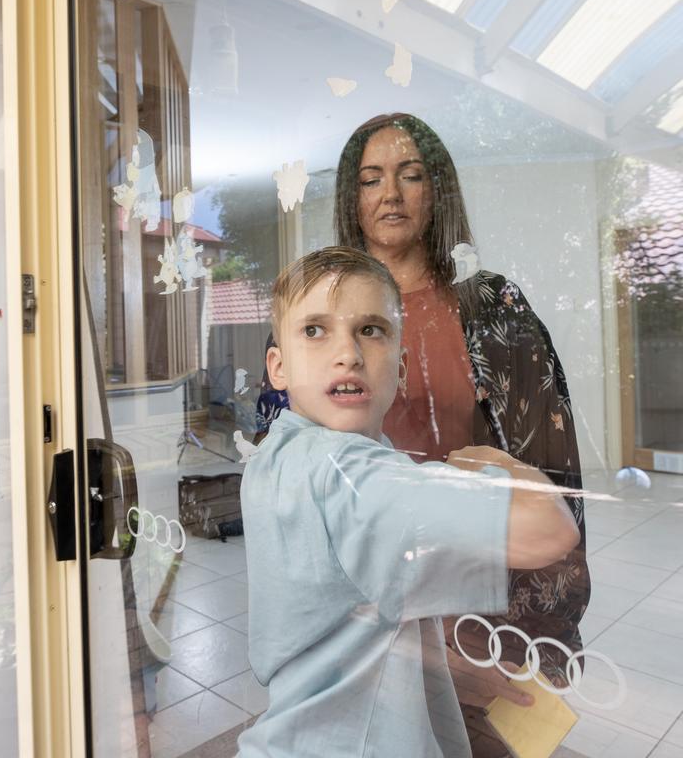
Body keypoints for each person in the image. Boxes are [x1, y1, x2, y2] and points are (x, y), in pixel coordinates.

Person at [239, 247, 579, 758]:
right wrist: (497, 462)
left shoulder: (280, 455)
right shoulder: (348, 472)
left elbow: (356, 604)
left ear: (399, 370)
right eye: (315, 330)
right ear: (278, 367)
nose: (347, 353)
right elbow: (548, 531)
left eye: (370, 330)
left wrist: (443, 661)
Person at [334, 113, 589, 754]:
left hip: (479, 593)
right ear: (352, 199)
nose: (390, 194)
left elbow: (551, 474)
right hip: (370, 598)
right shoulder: (326, 314)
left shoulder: (490, 306)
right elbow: (298, 465)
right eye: (370, 180)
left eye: (409, 175)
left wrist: (525, 632)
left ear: (436, 190)